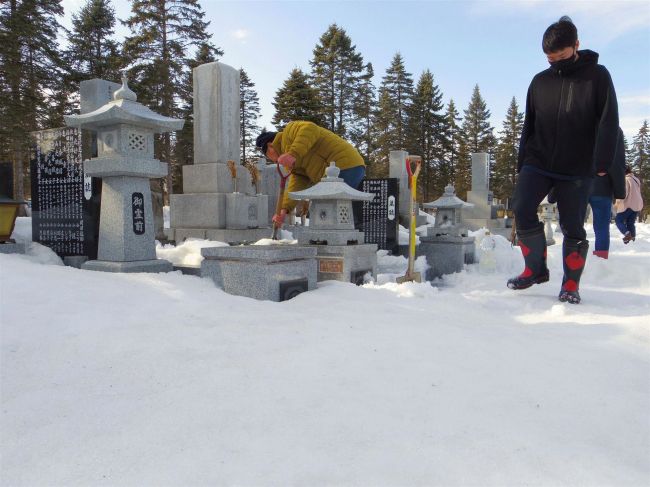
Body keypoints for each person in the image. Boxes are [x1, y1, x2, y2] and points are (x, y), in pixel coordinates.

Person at [507, 16, 619, 304]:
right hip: (539, 159)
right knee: (521, 206)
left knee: (572, 226)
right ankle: (535, 270)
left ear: (576, 45)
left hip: (578, 166)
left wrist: (602, 164)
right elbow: (528, 125)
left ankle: (570, 284)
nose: (555, 62)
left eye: (561, 55)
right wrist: (522, 164)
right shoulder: (539, 82)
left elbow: (608, 121)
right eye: (549, 58)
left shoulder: (597, 76)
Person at [256, 121, 366, 226]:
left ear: (270, 146)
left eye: (267, 156)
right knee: (333, 210)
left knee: (325, 208)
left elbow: (310, 127)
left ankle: (334, 240)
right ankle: (347, 236)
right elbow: (298, 182)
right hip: (343, 170)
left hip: (342, 164)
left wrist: (293, 153)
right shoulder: (291, 162)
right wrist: (284, 209)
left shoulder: (288, 133)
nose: (271, 160)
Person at [588, 128, 626, 258]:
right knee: (602, 227)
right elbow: (618, 161)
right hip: (602, 186)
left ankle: (574, 259)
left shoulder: (580, 119)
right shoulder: (614, 129)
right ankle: (601, 259)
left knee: (574, 225)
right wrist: (620, 192)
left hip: (579, 183)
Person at [614, 167, 644, 244]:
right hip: (637, 205)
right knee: (630, 222)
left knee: (618, 220)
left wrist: (617, 203)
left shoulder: (626, 179)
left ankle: (627, 234)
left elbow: (623, 194)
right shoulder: (636, 179)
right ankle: (632, 239)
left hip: (628, 205)